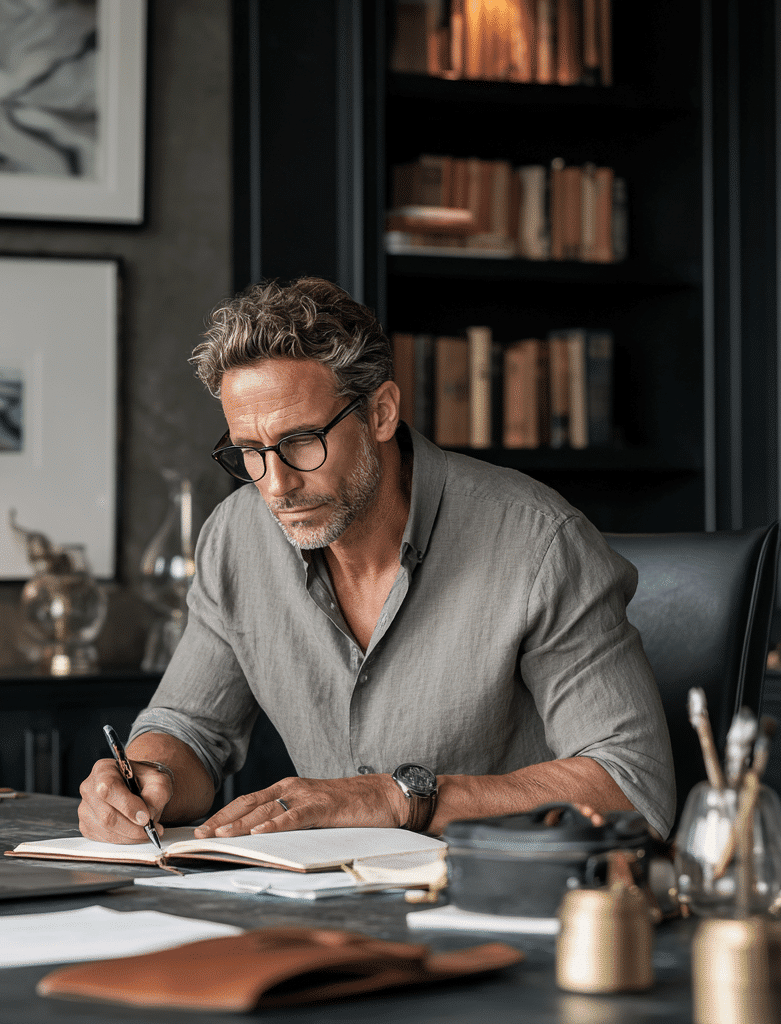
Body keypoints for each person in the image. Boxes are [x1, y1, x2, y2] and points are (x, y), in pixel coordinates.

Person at [79, 278, 675, 844]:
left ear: (382, 413)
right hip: (327, 903)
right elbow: (191, 728)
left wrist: (395, 800)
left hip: (503, 897)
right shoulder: (235, 537)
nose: (275, 485)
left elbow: (634, 787)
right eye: (249, 453)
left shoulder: (540, 543)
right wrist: (146, 778)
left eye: (301, 442)